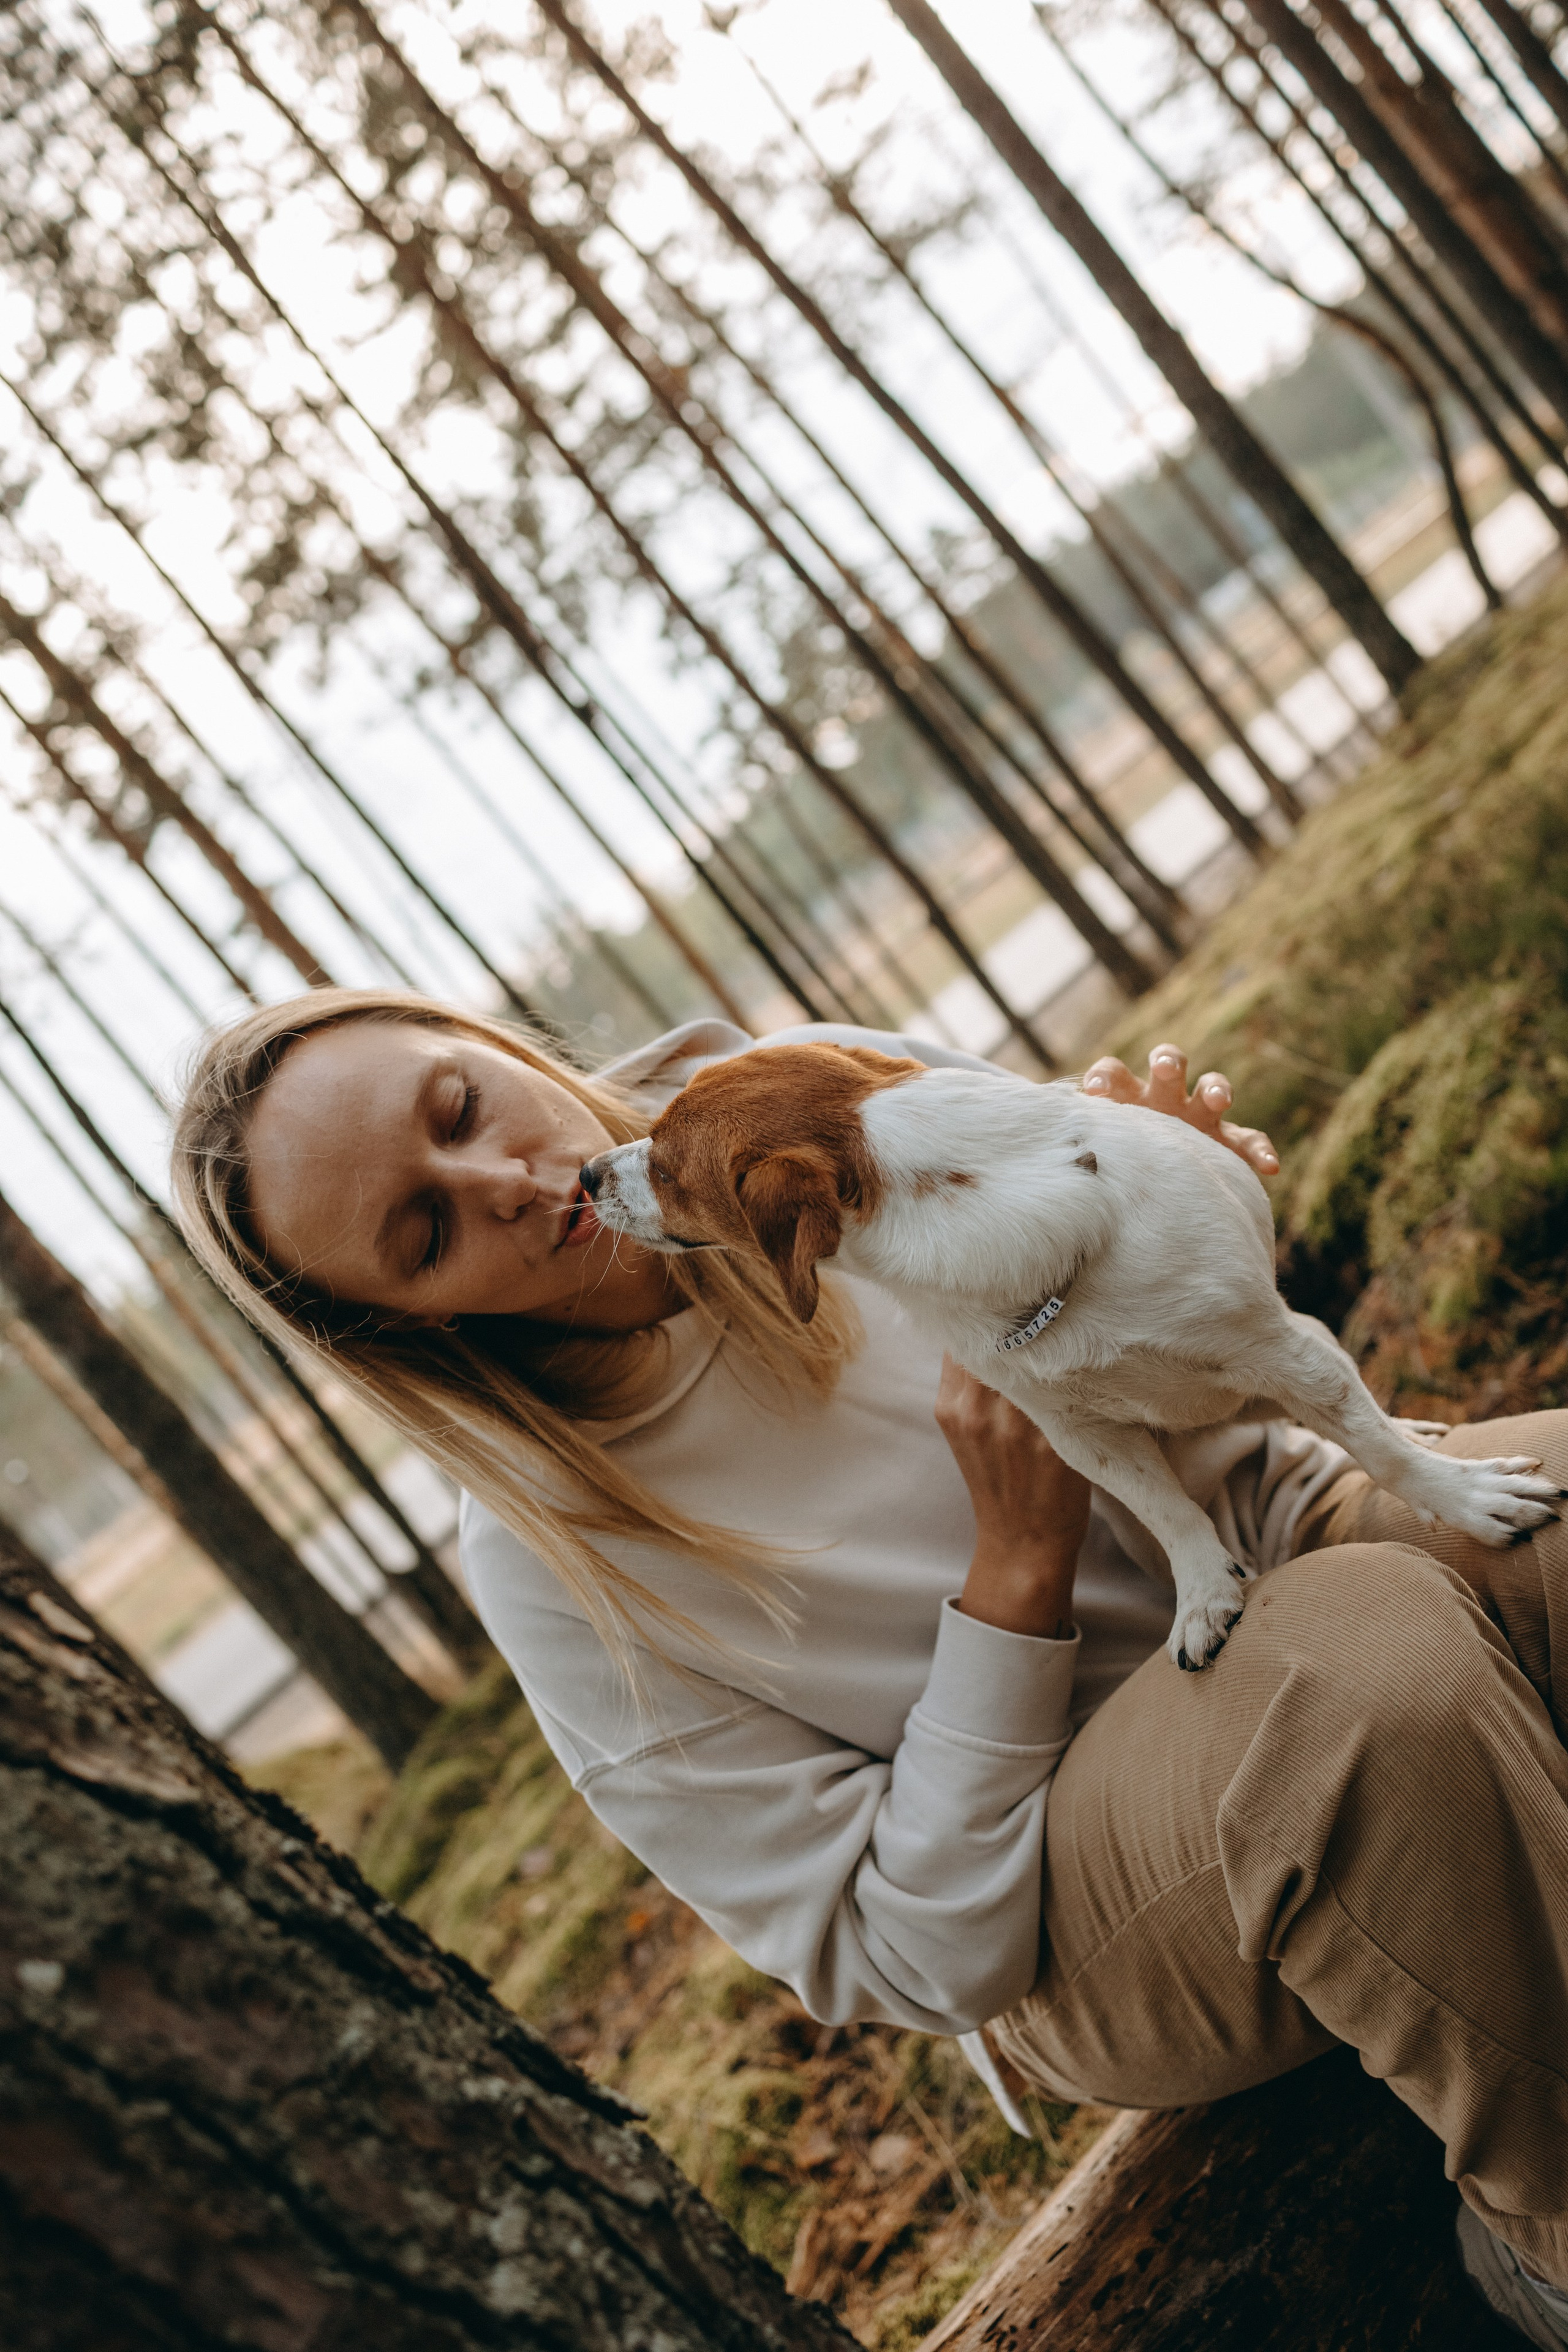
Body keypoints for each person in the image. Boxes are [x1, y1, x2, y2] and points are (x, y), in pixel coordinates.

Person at [171, 987, 1568, 2341]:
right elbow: (895, 1954)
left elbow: (1216, 1370)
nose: (509, 1181)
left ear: (485, 1045)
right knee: (1361, 1677)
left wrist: (1180, 1206)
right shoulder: (550, 1564)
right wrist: (1013, 1580)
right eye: (424, 1231)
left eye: (462, 1105)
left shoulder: (830, 1094)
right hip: (1080, 1908)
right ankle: (1546, 2244)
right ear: (402, 1325)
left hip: (1271, 1537)